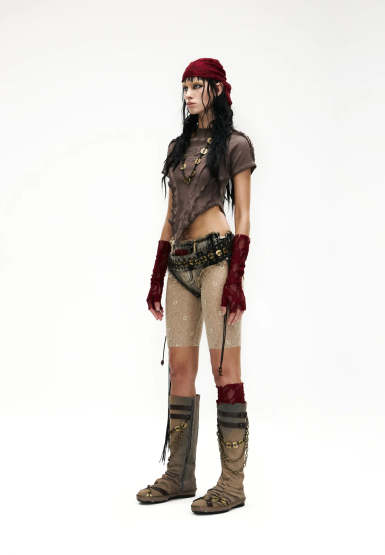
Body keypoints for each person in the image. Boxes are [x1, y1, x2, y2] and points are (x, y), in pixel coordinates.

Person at [136, 58, 256, 514]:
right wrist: (156, 274)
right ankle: (179, 475)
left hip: (217, 261)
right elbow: (171, 213)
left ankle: (232, 484)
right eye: (184, 86)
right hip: (180, 264)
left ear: (217, 90)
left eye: (195, 86)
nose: (187, 94)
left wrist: (236, 277)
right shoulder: (178, 147)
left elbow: (243, 215)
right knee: (179, 371)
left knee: (225, 370)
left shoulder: (236, 144)